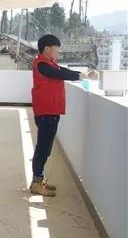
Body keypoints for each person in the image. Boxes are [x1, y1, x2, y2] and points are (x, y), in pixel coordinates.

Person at [29, 34, 97, 196]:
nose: (58, 52)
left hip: (50, 112)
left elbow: (62, 71)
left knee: (45, 148)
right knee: (43, 148)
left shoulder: (51, 64)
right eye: (57, 49)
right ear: (47, 49)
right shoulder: (41, 65)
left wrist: (82, 74)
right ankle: (36, 183)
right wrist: (81, 76)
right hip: (46, 112)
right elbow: (59, 74)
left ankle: (39, 180)